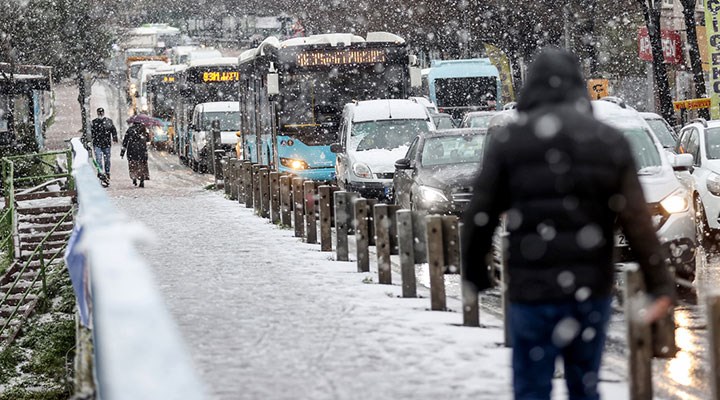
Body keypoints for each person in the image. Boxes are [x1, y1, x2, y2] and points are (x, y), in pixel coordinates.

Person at [460, 47, 675, 400]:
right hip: (589, 288)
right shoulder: (609, 143)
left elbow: (480, 216)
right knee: (584, 381)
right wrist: (660, 285)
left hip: (531, 289)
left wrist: (475, 274)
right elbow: (637, 222)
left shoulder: (509, 142)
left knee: (531, 385)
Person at [90, 107, 118, 178]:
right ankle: (101, 172)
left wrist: (115, 138)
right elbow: (91, 132)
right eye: (99, 112)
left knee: (106, 160)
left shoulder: (108, 121)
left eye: (101, 112)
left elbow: (113, 130)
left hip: (105, 143)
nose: (100, 114)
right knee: (99, 159)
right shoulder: (95, 122)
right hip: (99, 143)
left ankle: (106, 172)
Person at [120, 121, 150, 187]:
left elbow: (125, 141)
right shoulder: (144, 129)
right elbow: (148, 140)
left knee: (133, 165)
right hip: (142, 150)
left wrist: (122, 152)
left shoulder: (130, 130)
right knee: (142, 165)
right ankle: (142, 179)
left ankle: (134, 177)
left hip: (131, 150)